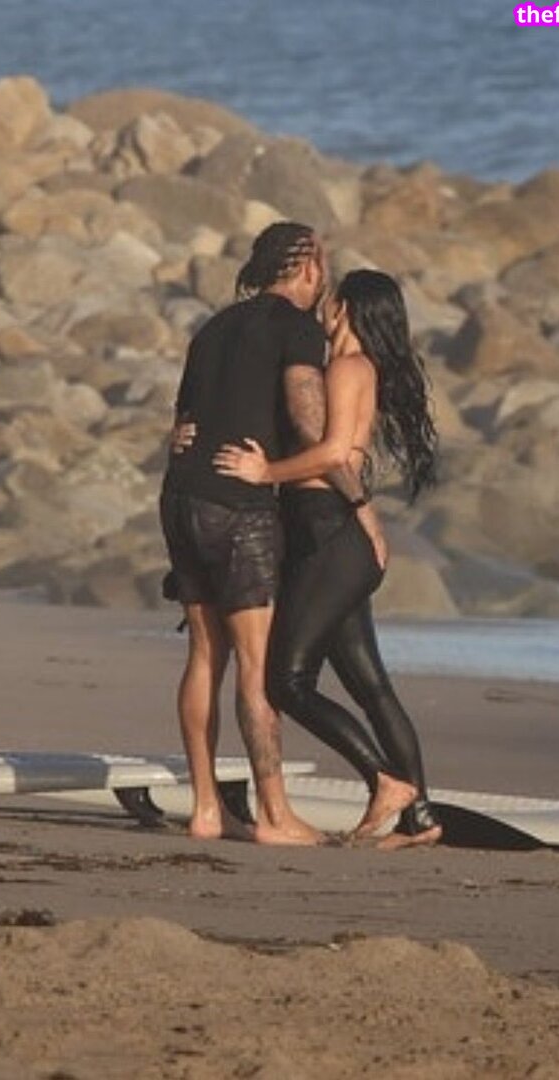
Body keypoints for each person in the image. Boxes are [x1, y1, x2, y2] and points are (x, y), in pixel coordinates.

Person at [160, 222, 378, 844]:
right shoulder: (297, 328)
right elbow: (310, 424)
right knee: (256, 668)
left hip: (181, 495)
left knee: (206, 656)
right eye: (323, 265)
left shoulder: (212, 329)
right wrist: (356, 499)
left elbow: (184, 421)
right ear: (307, 267)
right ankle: (276, 816)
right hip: (239, 506)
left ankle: (207, 809)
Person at [214, 270, 442, 848]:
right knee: (371, 687)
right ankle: (420, 818)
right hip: (334, 535)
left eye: (330, 298)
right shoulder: (358, 367)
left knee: (287, 681)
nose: (322, 304)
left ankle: (386, 782)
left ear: (344, 308)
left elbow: (335, 454)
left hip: (328, 534)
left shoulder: (346, 368)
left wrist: (265, 472)